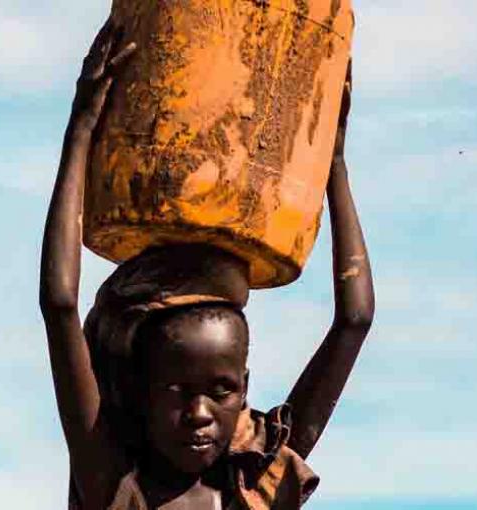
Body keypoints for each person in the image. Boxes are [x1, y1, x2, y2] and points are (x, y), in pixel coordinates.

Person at [40, 20, 374, 510]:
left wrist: (332, 161)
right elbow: (60, 305)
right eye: (176, 389)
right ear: (142, 393)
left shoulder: (255, 483)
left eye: (220, 390)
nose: (199, 414)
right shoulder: (119, 486)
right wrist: (82, 128)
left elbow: (355, 320)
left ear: (243, 391)